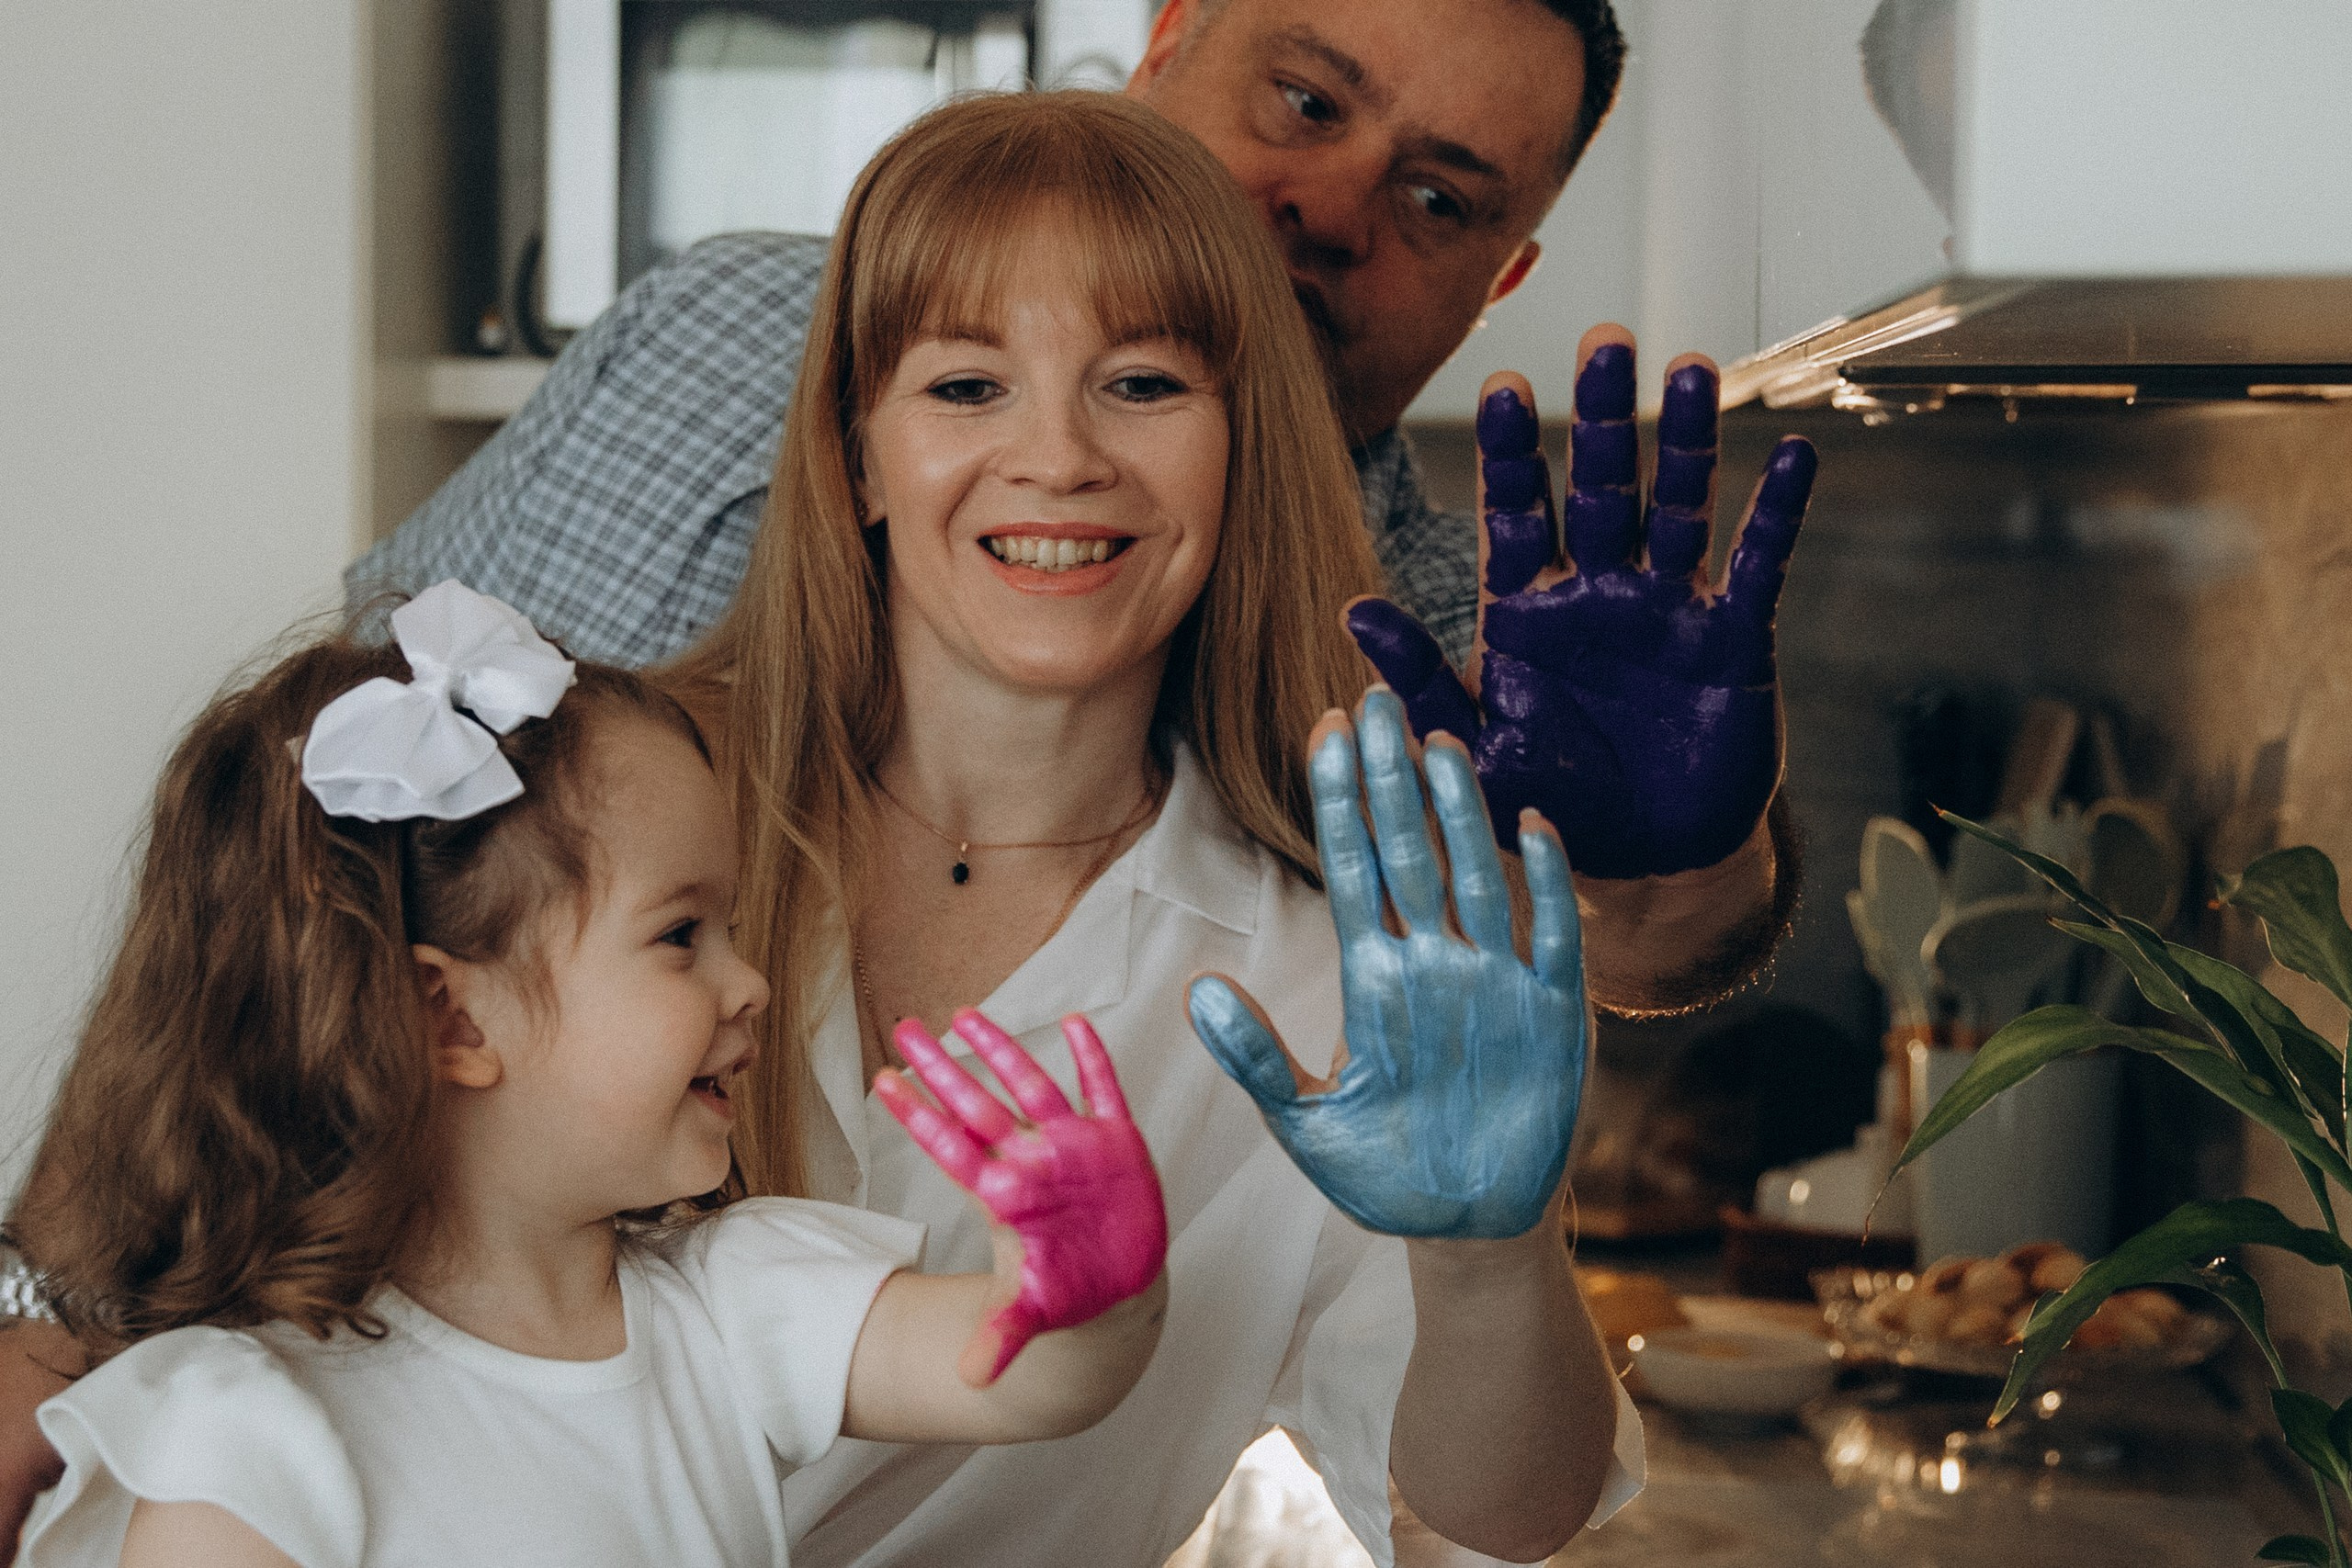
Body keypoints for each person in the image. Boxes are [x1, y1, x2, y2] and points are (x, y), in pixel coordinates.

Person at [343, 0, 1815, 1017]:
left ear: (1497, 284)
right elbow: (340, 766)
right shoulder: (714, 329)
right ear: (1165, 45)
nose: (1331, 207)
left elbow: (1637, 937)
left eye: (1438, 200)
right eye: (1305, 102)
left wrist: (1666, 865)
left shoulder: (1423, 631)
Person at [6, 580, 1171, 1567]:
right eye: (681, 936)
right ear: (452, 1018)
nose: (751, 982)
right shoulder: (252, 1431)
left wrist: (1093, 1294)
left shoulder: (731, 1308)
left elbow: (1022, 1378)